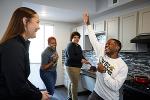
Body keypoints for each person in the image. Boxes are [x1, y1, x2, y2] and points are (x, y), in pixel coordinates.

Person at [0, 7, 50, 100]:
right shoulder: (14, 47)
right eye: (37, 22)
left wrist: (37, 91)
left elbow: (22, 79)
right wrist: (39, 96)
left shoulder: (18, 45)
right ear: (25, 21)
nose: (39, 27)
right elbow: (17, 88)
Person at [83, 11, 128, 100]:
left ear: (117, 48)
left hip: (109, 98)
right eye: (106, 43)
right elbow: (93, 38)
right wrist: (88, 24)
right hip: (96, 92)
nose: (106, 45)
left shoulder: (123, 66)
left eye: (109, 44)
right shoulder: (101, 52)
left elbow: (115, 86)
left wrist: (104, 72)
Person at [64, 31, 89, 100]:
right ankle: (74, 98)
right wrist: (81, 60)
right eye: (74, 37)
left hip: (76, 66)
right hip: (72, 66)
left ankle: (69, 97)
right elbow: (71, 56)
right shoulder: (70, 45)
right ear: (71, 38)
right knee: (75, 84)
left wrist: (85, 60)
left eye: (78, 37)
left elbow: (80, 55)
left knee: (72, 82)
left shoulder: (78, 46)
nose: (76, 39)